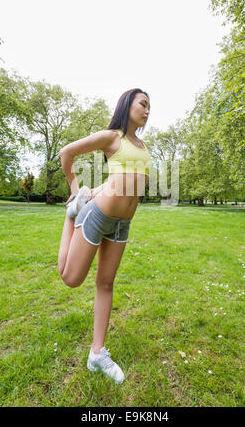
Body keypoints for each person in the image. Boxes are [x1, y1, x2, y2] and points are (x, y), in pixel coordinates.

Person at [58, 88, 152, 383]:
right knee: (71, 279)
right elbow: (67, 153)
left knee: (106, 283)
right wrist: (76, 191)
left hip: (122, 224)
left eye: (151, 106)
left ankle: (97, 354)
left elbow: (121, 180)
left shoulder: (143, 145)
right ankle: (71, 214)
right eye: (143, 104)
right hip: (97, 215)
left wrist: (97, 189)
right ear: (128, 105)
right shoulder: (113, 137)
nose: (148, 110)